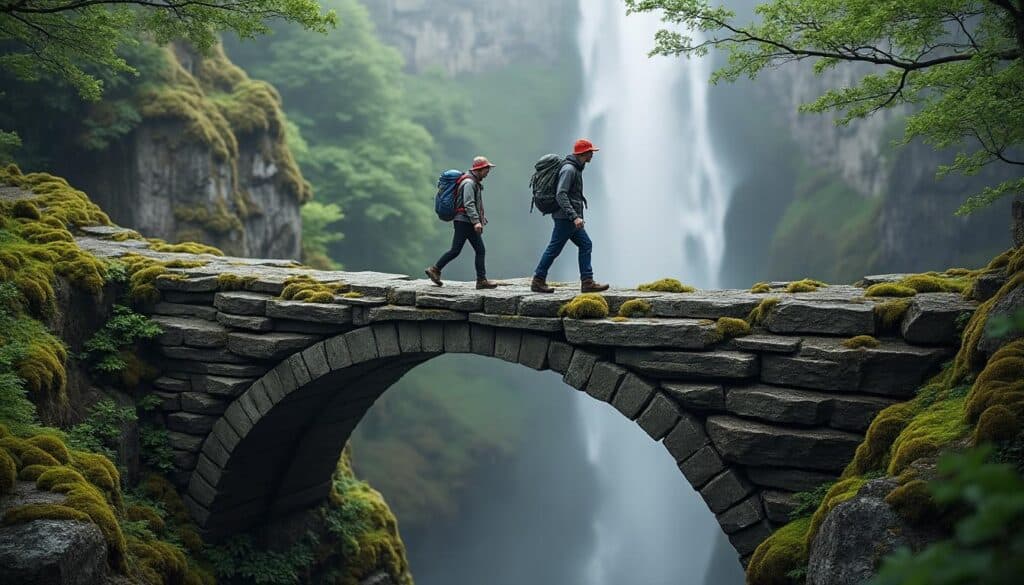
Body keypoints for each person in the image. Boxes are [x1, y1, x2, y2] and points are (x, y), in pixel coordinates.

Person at [531, 139, 609, 293]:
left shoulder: (575, 168)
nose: (592, 154)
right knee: (554, 248)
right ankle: (538, 280)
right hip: (565, 218)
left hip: (568, 218)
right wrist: (574, 217)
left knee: (585, 244)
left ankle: (587, 282)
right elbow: (561, 194)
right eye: (590, 152)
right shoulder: (569, 170)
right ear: (583, 153)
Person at [425, 156, 499, 289]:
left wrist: (480, 219)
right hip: (464, 221)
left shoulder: (471, 181)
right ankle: (435, 269)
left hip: (465, 220)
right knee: (459, 250)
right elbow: (469, 203)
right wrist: (476, 221)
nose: (487, 173)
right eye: (486, 170)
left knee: (474, 250)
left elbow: (473, 204)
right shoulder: (469, 183)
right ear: (479, 169)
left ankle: (481, 280)